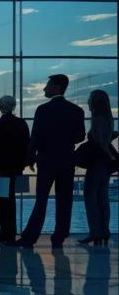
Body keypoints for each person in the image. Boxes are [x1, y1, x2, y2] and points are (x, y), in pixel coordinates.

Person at [9, 75, 86, 248]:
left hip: (46, 159)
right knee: (65, 199)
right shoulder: (76, 110)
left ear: (57, 87)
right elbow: (80, 136)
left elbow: (35, 136)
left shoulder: (43, 110)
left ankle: (30, 238)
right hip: (66, 159)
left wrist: (30, 158)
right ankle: (59, 236)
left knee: (41, 200)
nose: (44, 88)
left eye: (47, 85)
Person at [0, 95, 30, 243]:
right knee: (11, 202)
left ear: (1, 106)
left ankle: (4, 232)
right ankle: (10, 234)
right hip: (15, 168)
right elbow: (27, 145)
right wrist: (25, 163)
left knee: (1, 203)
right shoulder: (21, 123)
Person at [78, 90, 116, 245]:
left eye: (90, 99)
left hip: (96, 164)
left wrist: (107, 153)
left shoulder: (97, 120)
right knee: (102, 198)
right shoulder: (108, 119)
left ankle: (95, 232)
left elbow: (101, 143)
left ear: (95, 102)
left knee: (91, 198)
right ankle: (104, 231)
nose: (88, 101)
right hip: (105, 166)